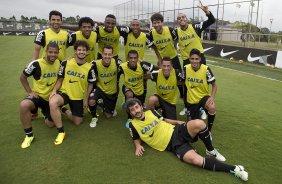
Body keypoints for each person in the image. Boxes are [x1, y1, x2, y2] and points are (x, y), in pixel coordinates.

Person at [126, 98, 248, 181]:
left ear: (141, 106)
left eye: (137, 107)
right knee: (196, 161)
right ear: (130, 113)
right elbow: (135, 137)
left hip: (176, 131)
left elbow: (164, 120)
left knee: (199, 123)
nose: (136, 111)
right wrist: (137, 145)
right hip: (173, 145)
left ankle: (211, 150)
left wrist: (178, 122)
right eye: (132, 110)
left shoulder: (151, 111)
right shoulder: (133, 125)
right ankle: (235, 169)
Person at [49, 41, 96, 145]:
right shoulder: (66, 63)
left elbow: (90, 84)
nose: (81, 52)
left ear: (87, 52)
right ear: (75, 51)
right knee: (53, 102)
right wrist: (54, 90)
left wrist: (86, 99)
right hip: (65, 93)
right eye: (79, 50)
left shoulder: (90, 67)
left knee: (78, 122)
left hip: (78, 97)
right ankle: (61, 132)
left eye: (84, 50)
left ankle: (63, 109)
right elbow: (60, 79)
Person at [176, 1, 215, 116]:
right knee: (186, 84)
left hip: (200, 59)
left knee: (202, 83)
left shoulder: (195, 27)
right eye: (179, 18)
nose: (181, 19)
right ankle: (188, 107)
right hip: (187, 60)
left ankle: (203, 107)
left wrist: (207, 12)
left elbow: (211, 21)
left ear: (186, 19)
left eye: (183, 17)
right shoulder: (176, 32)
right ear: (177, 21)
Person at [19, 42, 61, 148]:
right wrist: (29, 92)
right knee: (24, 105)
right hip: (37, 96)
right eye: (50, 52)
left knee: (50, 124)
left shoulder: (59, 63)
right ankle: (29, 136)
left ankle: (43, 112)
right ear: (45, 52)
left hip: (50, 99)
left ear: (58, 53)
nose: (53, 55)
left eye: (55, 52)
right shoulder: (35, 64)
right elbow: (22, 77)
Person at [147, 13, 184, 98]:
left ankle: (182, 95)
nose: (156, 25)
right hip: (163, 61)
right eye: (154, 23)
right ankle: (164, 96)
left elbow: (178, 40)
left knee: (179, 77)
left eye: (158, 22)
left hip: (174, 58)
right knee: (163, 78)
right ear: (152, 23)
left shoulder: (170, 30)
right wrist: (160, 60)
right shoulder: (151, 34)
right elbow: (155, 49)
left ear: (162, 22)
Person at [119, 50, 157, 127]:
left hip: (139, 90)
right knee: (129, 95)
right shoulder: (122, 67)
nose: (133, 60)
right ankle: (129, 118)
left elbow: (156, 69)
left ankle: (126, 102)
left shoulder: (142, 65)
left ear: (138, 59)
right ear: (128, 58)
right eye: (131, 58)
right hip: (128, 87)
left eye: (135, 58)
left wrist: (147, 76)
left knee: (139, 107)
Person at [183, 49, 217, 133]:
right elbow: (180, 81)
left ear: (200, 59)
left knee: (212, 107)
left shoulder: (206, 69)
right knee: (192, 128)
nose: (194, 61)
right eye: (192, 59)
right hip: (191, 101)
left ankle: (209, 130)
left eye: (196, 59)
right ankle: (198, 111)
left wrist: (212, 97)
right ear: (189, 59)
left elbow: (214, 85)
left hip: (203, 98)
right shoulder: (186, 69)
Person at [88, 45, 121, 128]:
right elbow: (82, 65)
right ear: (102, 54)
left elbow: (128, 66)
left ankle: (101, 104)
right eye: (105, 54)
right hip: (100, 88)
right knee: (91, 100)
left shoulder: (117, 62)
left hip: (111, 91)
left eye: (109, 54)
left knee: (108, 116)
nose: (107, 56)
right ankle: (94, 117)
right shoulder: (95, 63)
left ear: (112, 55)